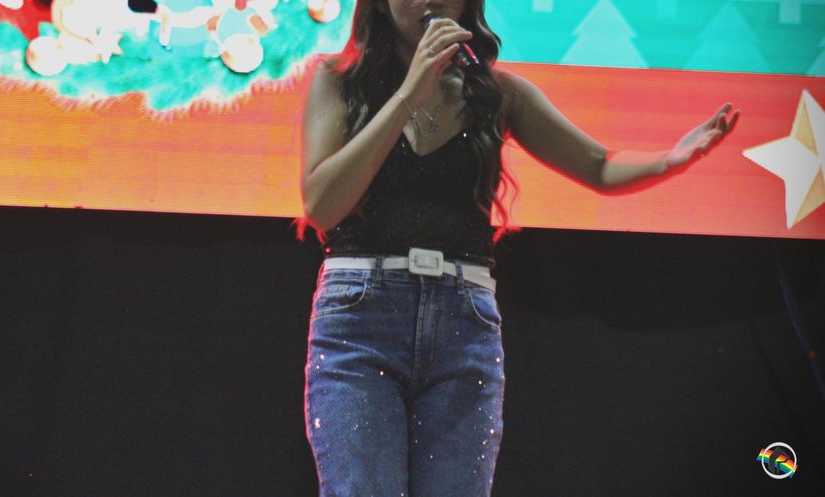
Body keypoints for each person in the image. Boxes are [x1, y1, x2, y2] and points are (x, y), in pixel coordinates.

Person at [297, 0, 740, 496]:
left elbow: (599, 166)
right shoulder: (339, 81)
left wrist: (669, 161)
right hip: (360, 321)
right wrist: (408, 94)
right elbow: (322, 205)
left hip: (463, 325)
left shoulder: (498, 93)